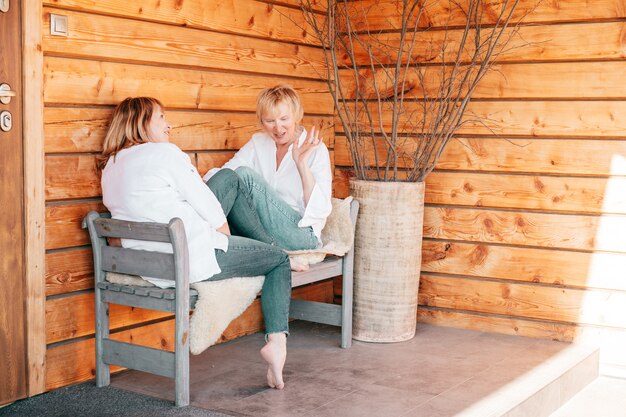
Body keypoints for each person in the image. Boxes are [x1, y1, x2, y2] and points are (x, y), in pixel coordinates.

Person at [98, 97, 289, 390]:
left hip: (149, 262)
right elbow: (211, 211)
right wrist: (228, 243)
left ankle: (263, 243)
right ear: (142, 121)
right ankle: (276, 343)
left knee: (227, 178)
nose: (169, 124)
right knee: (277, 259)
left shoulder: (110, 165)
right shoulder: (164, 153)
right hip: (190, 256)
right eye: (161, 117)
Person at [203, 85, 332, 255]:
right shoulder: (258, 142)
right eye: (270, 121)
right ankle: (200, 239)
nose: (278, 128)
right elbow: (226, 175)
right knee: (231, 178)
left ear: (296, 116)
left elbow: (320, 210)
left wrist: (302, 164)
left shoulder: (316, 149)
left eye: (284, 119)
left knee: (244, 177)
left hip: (301, 234)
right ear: (261, 121)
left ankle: (198, 239)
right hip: (262, 229)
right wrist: (197, 184)